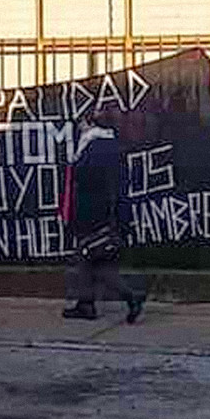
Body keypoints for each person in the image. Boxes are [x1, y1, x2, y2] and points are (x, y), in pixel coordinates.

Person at [62, 108, 146, 324]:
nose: (78, 127)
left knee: (86, 255)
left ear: (89, 123)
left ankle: (126, 296)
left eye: (81, 122)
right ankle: (87, 303)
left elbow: (84, 179)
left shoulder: (92, 147)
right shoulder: (112, 145)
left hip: (93, 212)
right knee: (95, 259)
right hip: (105, 212)